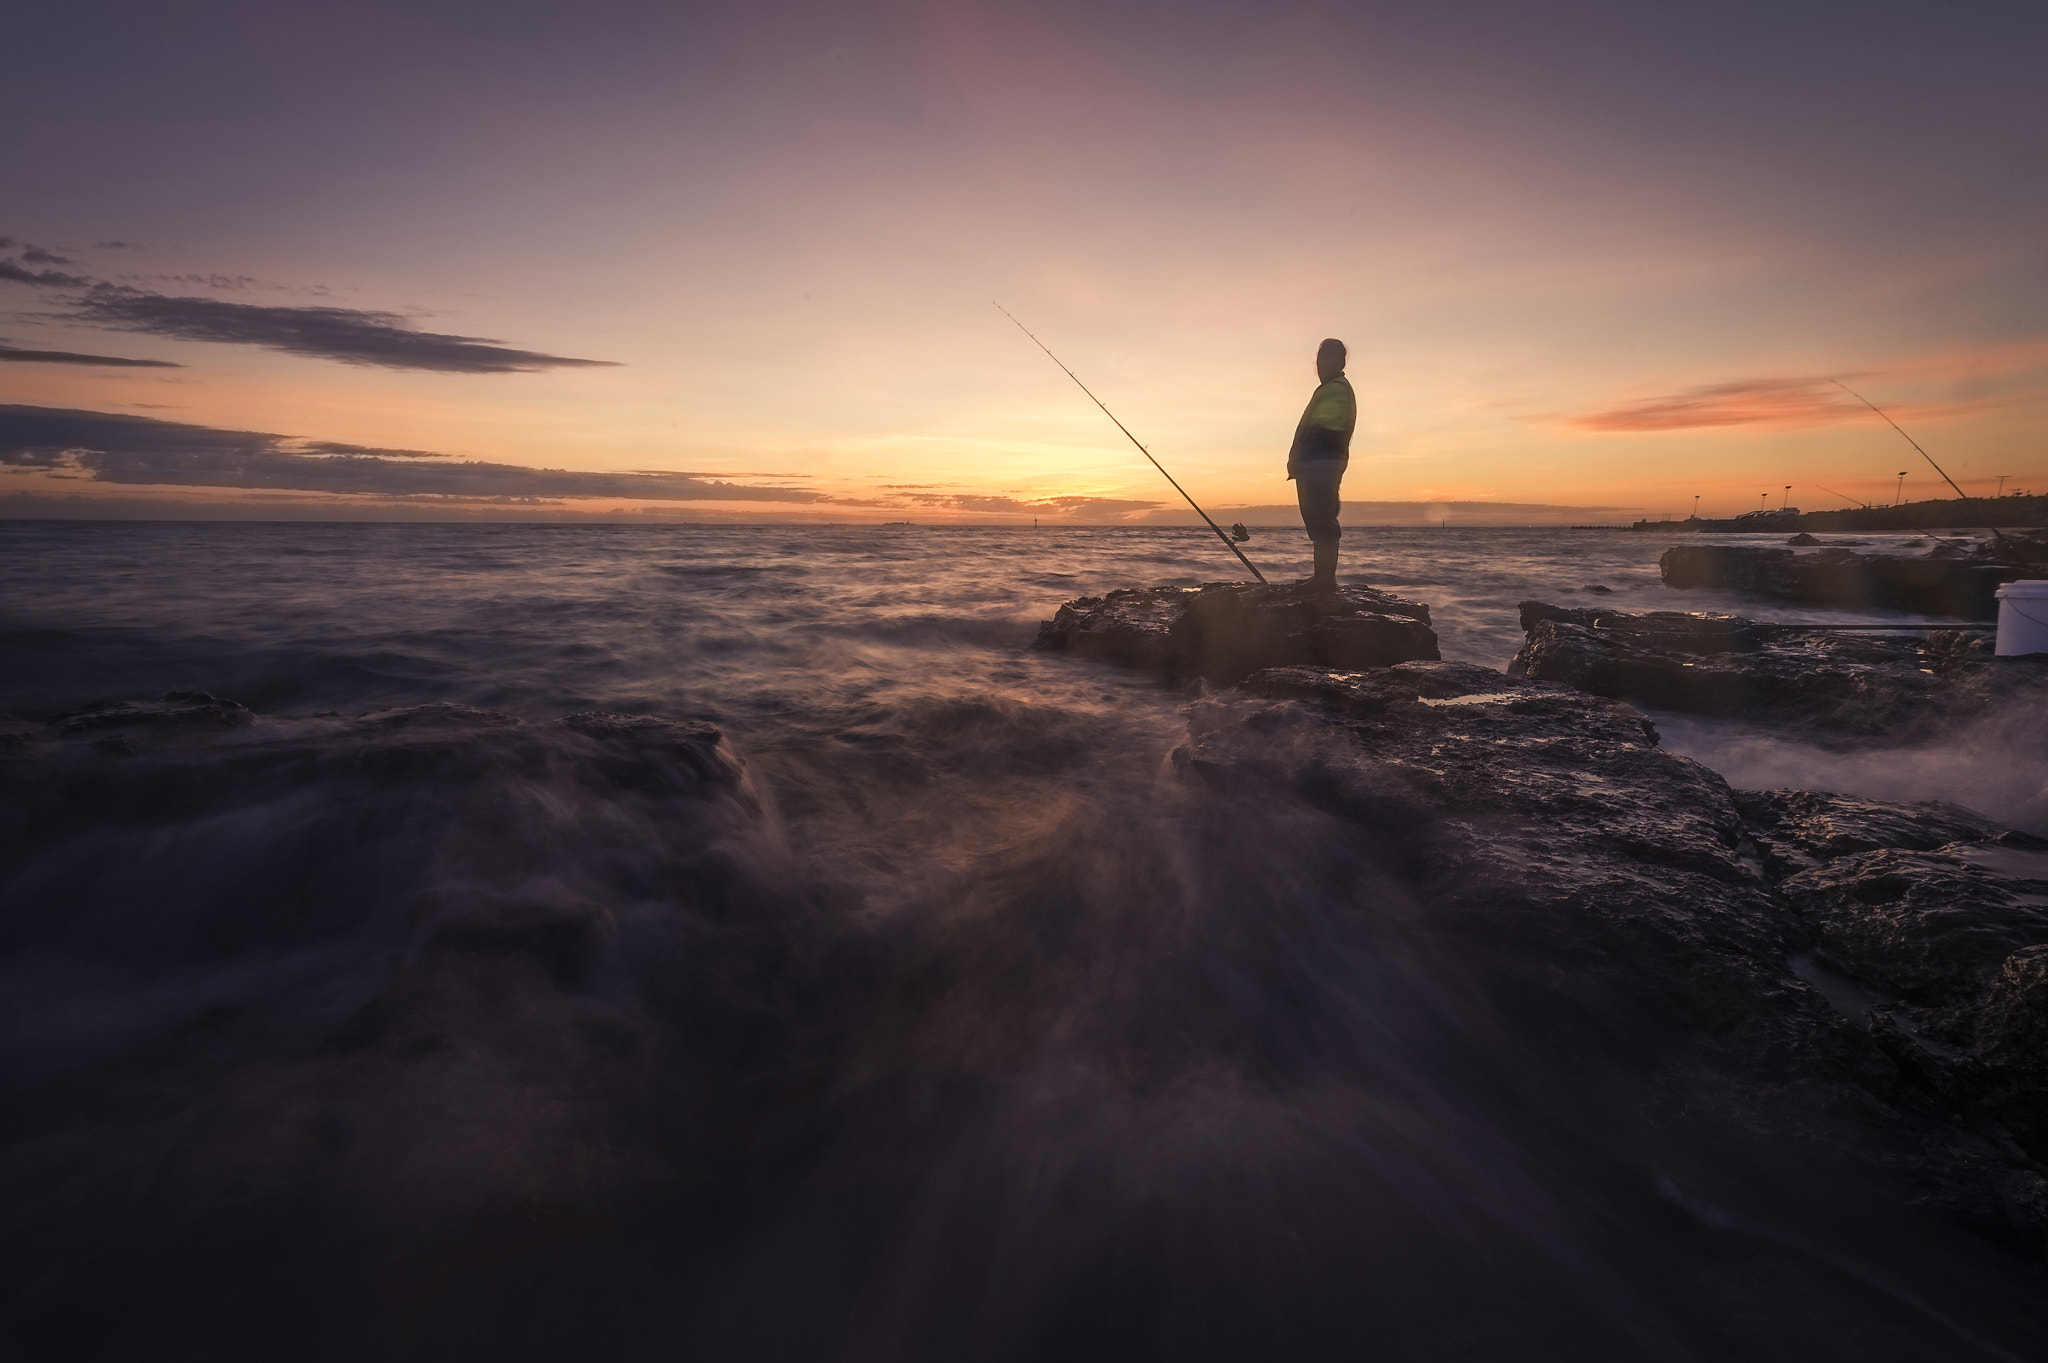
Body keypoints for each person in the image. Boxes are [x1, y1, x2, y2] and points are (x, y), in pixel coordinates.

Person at [1287, 338, 1356, 593]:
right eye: (1319, 359)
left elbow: (1324, 429)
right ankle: (1321, 577)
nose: (1321, 365)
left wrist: (1307, 460)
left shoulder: (1336, 389)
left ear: (1340, 362)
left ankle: (1324, 580)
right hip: (1316, 464)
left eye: (1327, 359)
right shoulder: (1329, 388)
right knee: (1317, 520)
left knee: (1322, 519)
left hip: (1321, 464)